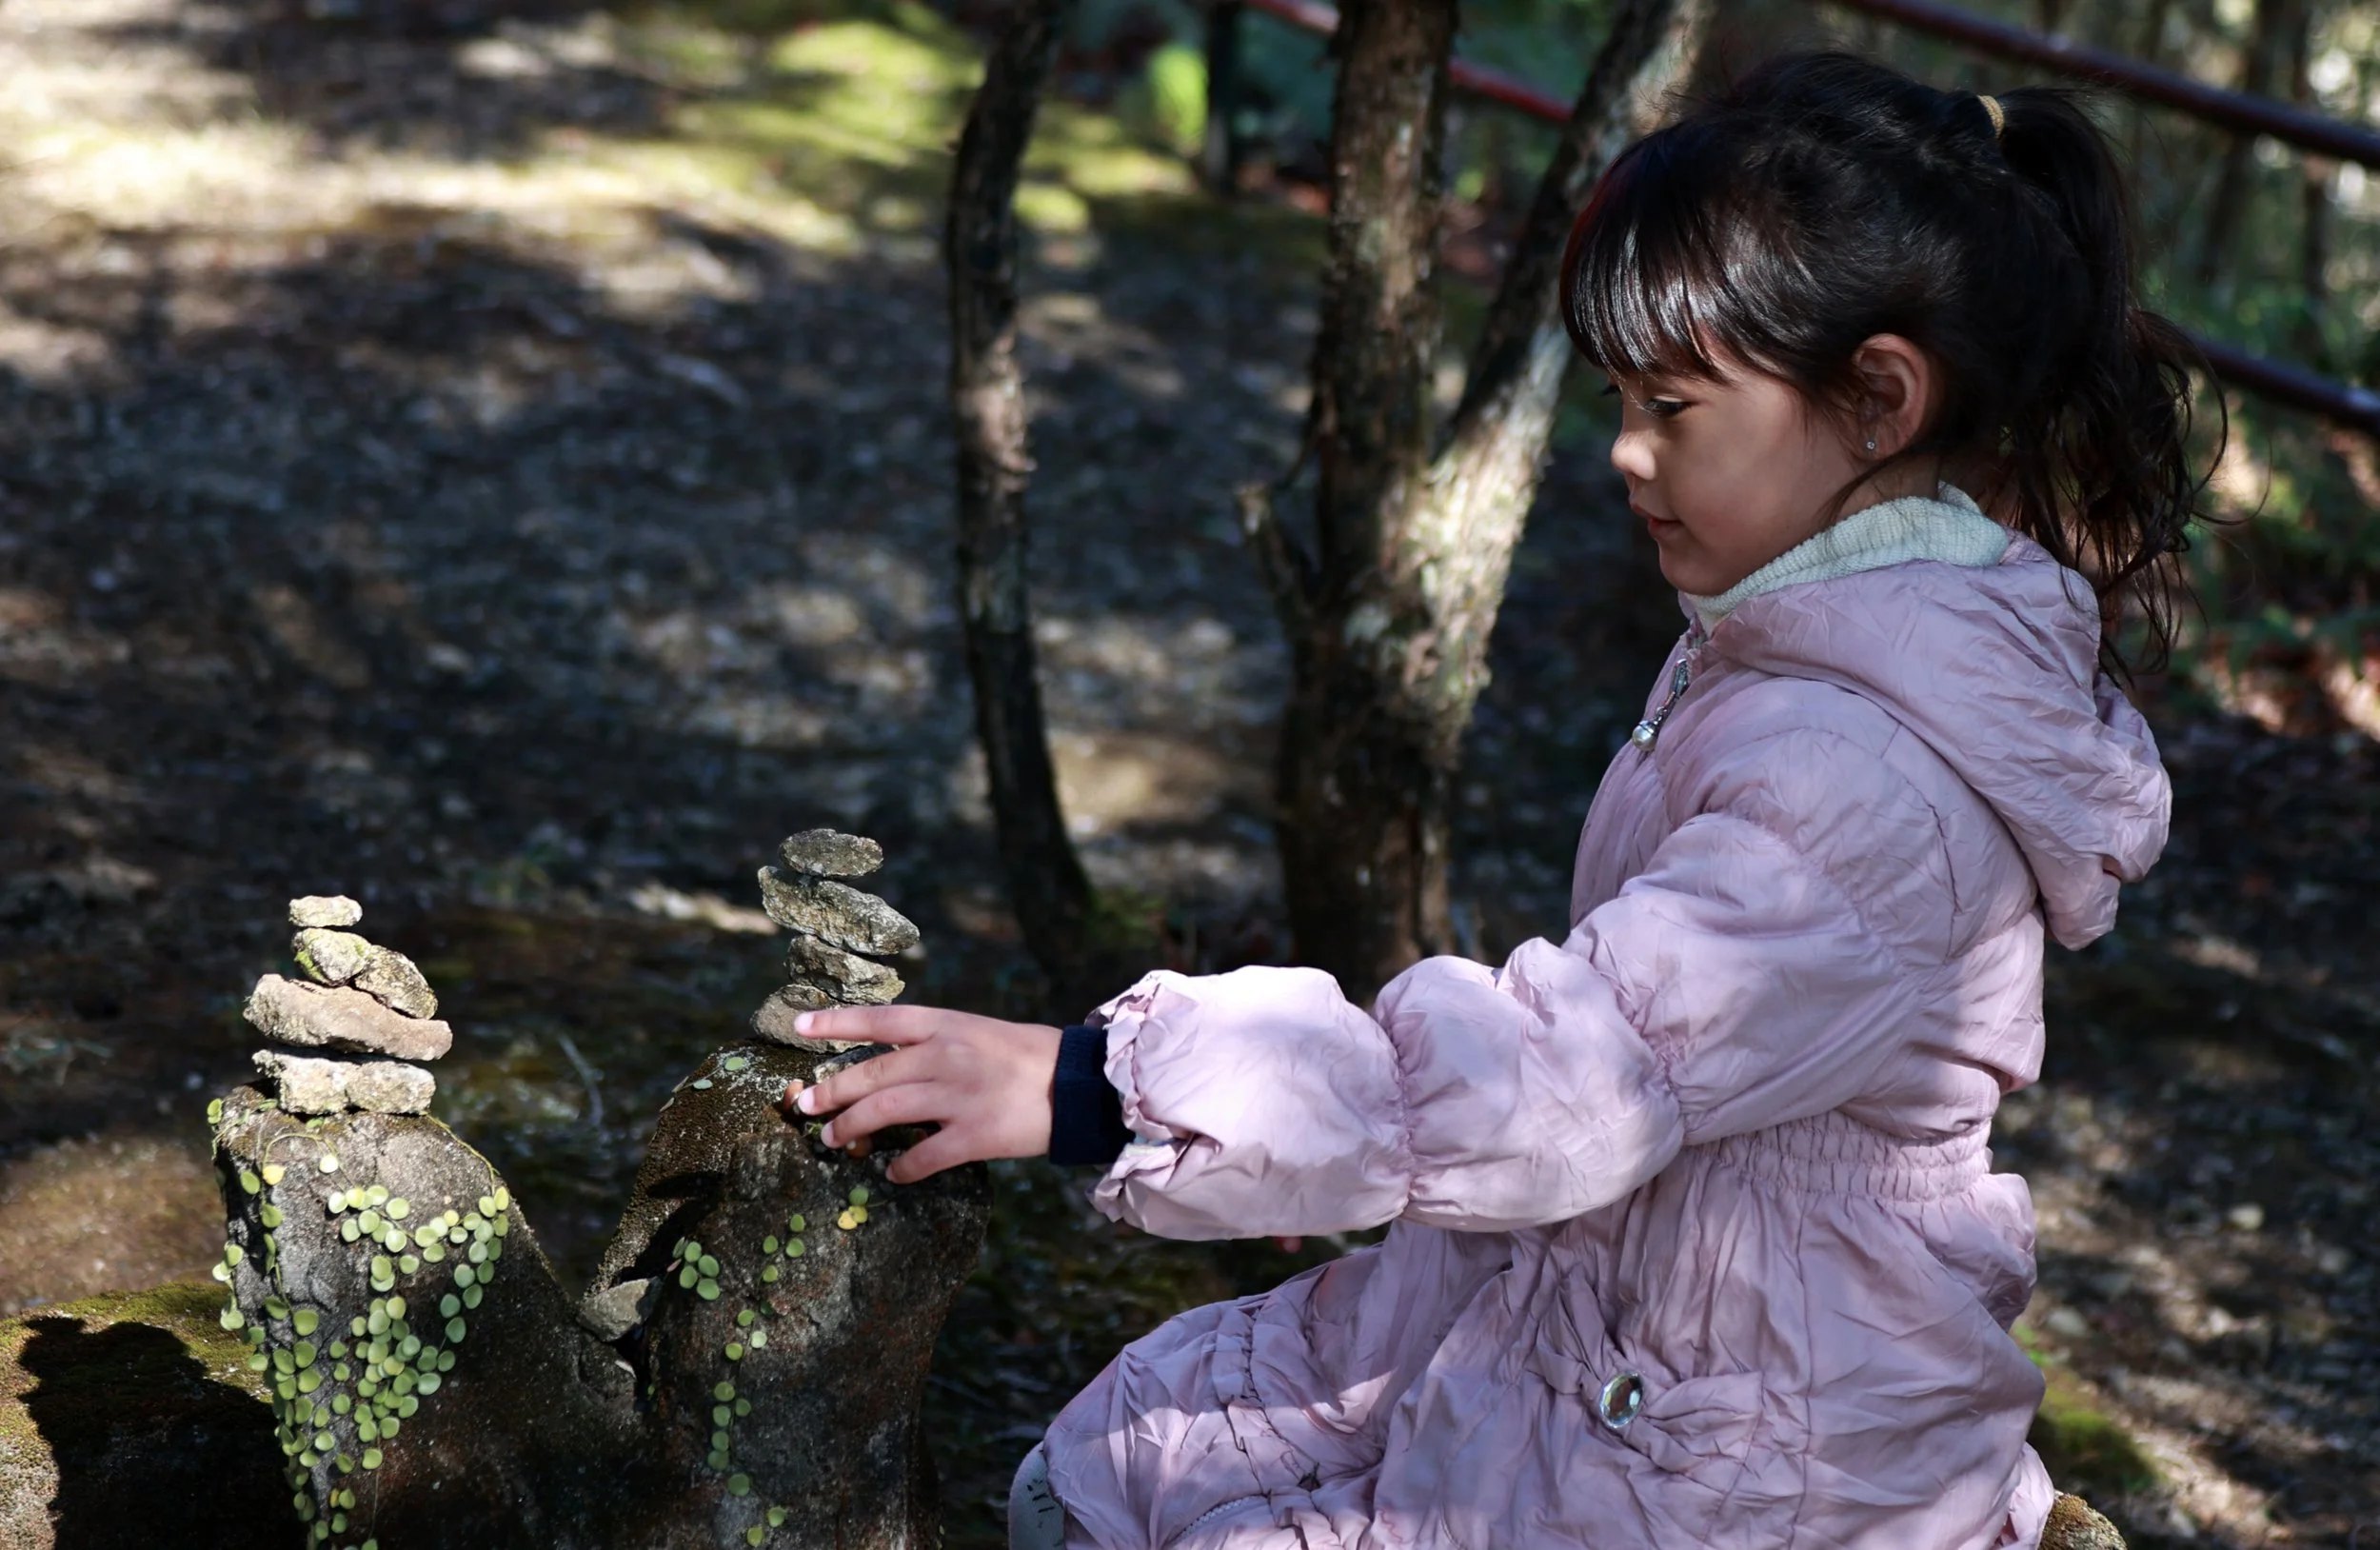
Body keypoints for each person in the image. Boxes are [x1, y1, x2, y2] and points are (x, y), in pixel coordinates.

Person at [792, 50, 2205, 1550]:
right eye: (1618, 397)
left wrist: (1100, 1089)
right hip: (1627, 1312)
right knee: (1113, 1468)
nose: (1626, 451)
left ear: (1877, 401)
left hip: (1756, 1441)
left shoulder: (1868, 780)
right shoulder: (1811, 646)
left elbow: (1574, 1078)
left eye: (1673, 403)